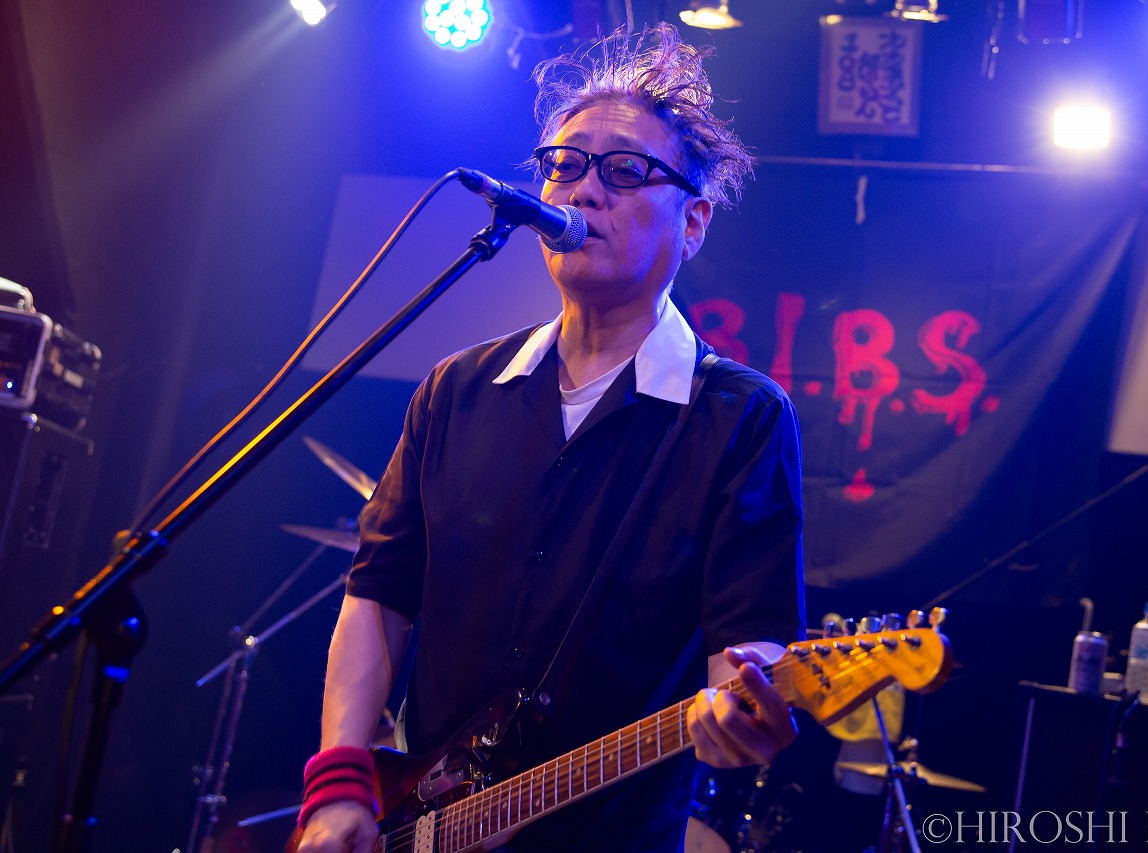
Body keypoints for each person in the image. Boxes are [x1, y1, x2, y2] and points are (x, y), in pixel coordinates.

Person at [295, 22, 805, 853]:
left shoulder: (739, 416)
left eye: (625, 170)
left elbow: (745, 643)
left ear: (694, 222)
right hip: (421, 825)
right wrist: (341, 783)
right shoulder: (456, 390)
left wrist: (738, 712)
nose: (584, 191)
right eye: (564, 165)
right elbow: (379, 594)